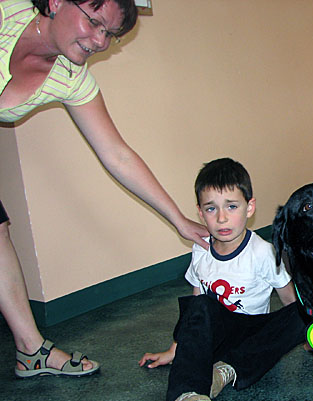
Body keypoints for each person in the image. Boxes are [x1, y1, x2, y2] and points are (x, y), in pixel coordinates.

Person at [1, 0, 209, 378]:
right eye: (94, 22)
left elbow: (118, 155)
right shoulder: (6, 13)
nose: (99, 41)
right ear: (56, 2)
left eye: (109, 34)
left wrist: (178, 220)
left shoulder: (70, 77)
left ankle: (30, 351)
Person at [138, 158, 306, 401]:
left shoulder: (262, 252)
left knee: (303, 312)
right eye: (211, 208)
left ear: (249, 207)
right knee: (200, 304)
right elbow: (195, 311)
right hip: (215, 338)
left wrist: (303, 334)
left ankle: (225, 371)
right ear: (200, 213)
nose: (222, 218)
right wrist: (175, 349)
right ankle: (185, 395)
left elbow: (288, 297)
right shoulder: (200, 249)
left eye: (231, 206)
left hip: (253, 336)